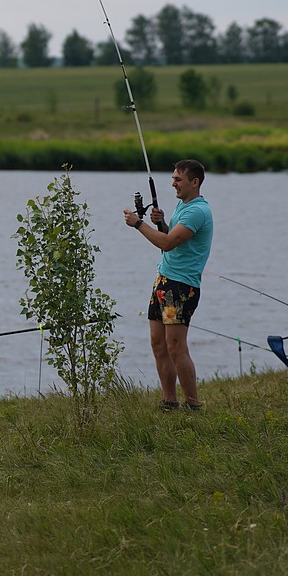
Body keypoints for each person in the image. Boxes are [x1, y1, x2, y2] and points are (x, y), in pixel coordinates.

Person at [123, 159, 213, 411]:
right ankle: (169, 402)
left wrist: (139, 224)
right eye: (173, 178)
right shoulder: (183, 205)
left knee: (175, 347)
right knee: (158, 343)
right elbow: (171, 235)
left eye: (178, 179)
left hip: (181, 286)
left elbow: (167, 244)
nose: (173, 183)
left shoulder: (198, 211)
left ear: (194, 182)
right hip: (163, 280)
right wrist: (161, 222)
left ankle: (193, 405)